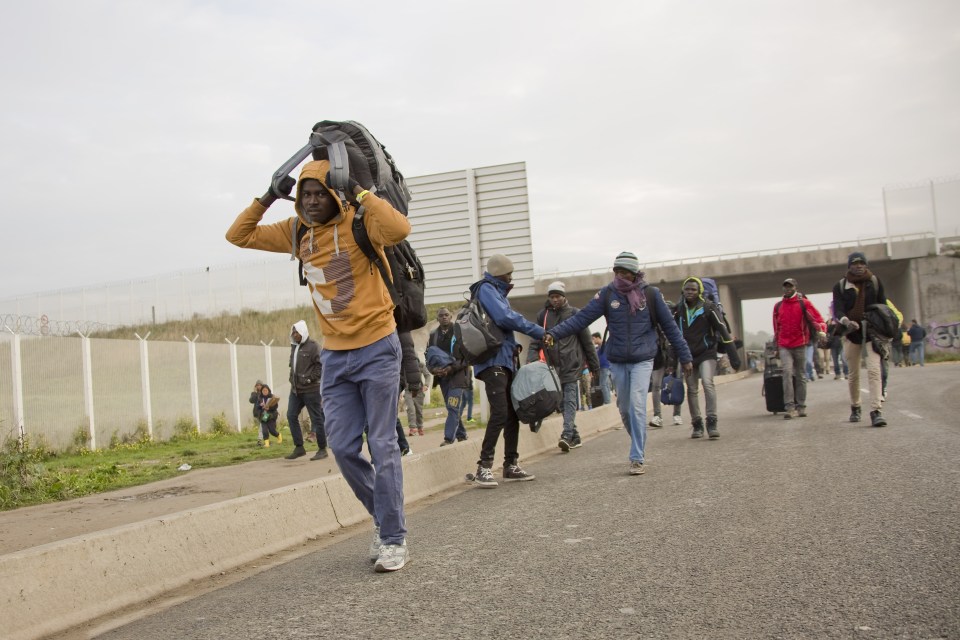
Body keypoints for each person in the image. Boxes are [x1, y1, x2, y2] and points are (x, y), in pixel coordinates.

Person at [226, 151, 412, 572]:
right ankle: (384, 523)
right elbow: (238, 235)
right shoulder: (295, 232)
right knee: (344, 449)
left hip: (378, 347)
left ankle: (395, 537)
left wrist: (359, 192)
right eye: (305, 194)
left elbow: (400, 228)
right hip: (335, 355)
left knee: (382, 445)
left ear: (335, 193)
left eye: (319, 193)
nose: (310, 200)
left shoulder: (361, 222)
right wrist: (268, 197)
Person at [545, 251, 693, 475]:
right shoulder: (607, 294)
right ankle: (638, 440)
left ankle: (636, 456)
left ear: (634, 274)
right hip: (618, 360)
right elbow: (580, 319)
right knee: (624, 409)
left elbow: (671, 329)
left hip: (643, 359)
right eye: (617, 272)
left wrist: (685, 356)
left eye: (625, 273)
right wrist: (554, 333)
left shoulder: (651, 295)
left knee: (636, 404)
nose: (620, 276)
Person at [468, 254, 546, 488]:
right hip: (493, 362)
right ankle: (484, 467)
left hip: (505, 359)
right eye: (508, 273)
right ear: (498, 272)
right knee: (501, 413)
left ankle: (510, 464)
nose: (511, 277)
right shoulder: (487, 289)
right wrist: (537, 331)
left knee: (512, 414)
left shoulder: (496, 291)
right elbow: (505, 318)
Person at [527, 281, 600, 452]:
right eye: (552, 297)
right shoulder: (543, 316)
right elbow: (535, 341)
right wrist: (531, 360)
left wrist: (594, 366)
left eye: (558, 296)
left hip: (572, 364)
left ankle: (566, 434)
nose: (555, 300)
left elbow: (587, 342)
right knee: (559, 402)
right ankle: (575, 436)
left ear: (564, 296)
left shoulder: (575, 314)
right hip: (552, 367)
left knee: (569, 399)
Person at [674, 277, 740, 439]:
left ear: (700, 292)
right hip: (687, 355)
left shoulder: (708, 308)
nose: (690, 292)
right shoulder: (678, 311)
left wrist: (734, 357)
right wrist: (672, 360)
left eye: (693, 290)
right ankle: (697, 424)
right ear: (683, 290)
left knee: (708, 382)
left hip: (706, 353)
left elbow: (723, 332)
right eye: (687, 289)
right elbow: (673, 336)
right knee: (691, 388)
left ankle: (712, 421)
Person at [832, 251, 888, 427]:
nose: (858, 266)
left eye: (861, 263)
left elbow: (883, 307)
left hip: (872, 332)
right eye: (855, 263)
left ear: (866, 265)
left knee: (874, 370)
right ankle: (855, 406)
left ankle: (876, 411)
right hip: (851, 334)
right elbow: (838, 310)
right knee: (853, 374)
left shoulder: (875, 282)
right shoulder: (840, 286)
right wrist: (846, 321)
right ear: (849, 266)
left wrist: (884, 328)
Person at [773, 278, 826, 419]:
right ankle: (789, 407)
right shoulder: (778, 306)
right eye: (785, 286)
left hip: (800, 344)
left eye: (790, 286)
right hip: (784, 345)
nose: (787, 289)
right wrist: (776, 347)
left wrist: (821, 330)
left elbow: (817, 319)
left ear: (796, 287)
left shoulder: (804, 303)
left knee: (801, 375)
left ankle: (801, 406)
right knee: (787, 373)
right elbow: (776, 328)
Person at [427, 307, 470, 446]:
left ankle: (448, 438)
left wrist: (451, 368)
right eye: (441, 315)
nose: (444, 317)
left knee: (452, 406)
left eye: (446, 315)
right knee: (452, 407)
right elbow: (429, 358)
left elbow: (467, 358)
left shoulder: (460, 332)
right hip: (443, 378)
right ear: (437, 318)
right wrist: (433, 370)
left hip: (457, 376)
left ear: (451, 316)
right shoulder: (433, 335)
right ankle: (462, 434)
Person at [287, 321, 329, 461]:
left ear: (303, 332)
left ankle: (322, 449)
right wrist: (291, 380)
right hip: (296, 390)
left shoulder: (313, 347)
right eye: (293, 333)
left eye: (297, 332)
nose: (294, 335)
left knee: (316, 418)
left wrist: (310, 379)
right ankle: (299, 447)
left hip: (311, 390)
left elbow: (320, 366)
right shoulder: (294, 347)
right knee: (291, 415)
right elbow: (292, 366)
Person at [404, 359, 427, 436]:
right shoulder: (404, 365)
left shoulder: (421, 365)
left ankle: (420, 427)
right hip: (408, 390)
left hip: (419, 391)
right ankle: (412, 428)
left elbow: (427, 375)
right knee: (411, 408)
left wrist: (426, 385)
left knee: (418, 410)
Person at [591, 332, 613, 405]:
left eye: (593, 338)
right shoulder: (597, 348)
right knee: (605, 384)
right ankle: (608, 400)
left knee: (603, 384)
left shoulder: (604, 345)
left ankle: (607, 401)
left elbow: (603, 344)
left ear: (598, 338)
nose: (592, 340)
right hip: (602, 367)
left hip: (605, 366)